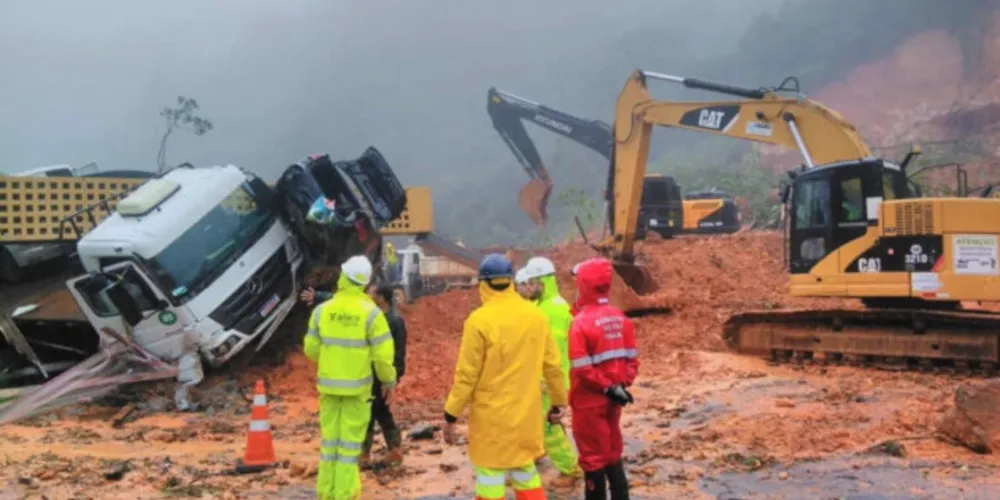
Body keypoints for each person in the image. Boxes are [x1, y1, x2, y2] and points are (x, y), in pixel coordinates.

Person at [443, 253, 567, 500]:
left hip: (491, 424)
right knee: (525, 472)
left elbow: (467, 376)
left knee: (490, 479)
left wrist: (451, 415)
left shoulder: (478, 321)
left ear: (483, 284)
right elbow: (553, 366)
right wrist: (558, 402)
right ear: (510, 281)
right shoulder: (536, 316)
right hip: (526, 418)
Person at [303, 255, 397, 500]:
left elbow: (311, 350)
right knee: (348, 449)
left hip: (329, 390)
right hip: (357, 393)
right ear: (365, 284)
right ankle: (344, 495)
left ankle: (327, 493)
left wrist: (333, 360)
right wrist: (388, 381)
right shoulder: (372, 315)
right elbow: (383, 357)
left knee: (330, 446)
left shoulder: (322, 311)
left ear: (343, 278)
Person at [568, 257, 639, 500]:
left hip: (588, 401)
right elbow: (632, 360)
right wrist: (619, 386)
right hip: (614, 399)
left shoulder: (580, 324)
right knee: (612, 450)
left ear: (584, 285)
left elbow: (581, 368)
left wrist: (606, 387)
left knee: (592, 457)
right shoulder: (621, 319)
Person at [520, 257, 583, 486]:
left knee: (550, 426)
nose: (527, 288)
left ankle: (570, 470)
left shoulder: (553, 310)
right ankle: (538, 453)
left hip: (550, 380)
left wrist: (544, 380)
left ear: (542, 282)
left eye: (531, 283)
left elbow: (552, 353)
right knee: (542, 422)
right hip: (546, 378)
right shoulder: (544, 306)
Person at [360, 284, 408, 468]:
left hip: (383, 375)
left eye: (372, 293)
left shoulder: (394, 321)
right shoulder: (379, 318)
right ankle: (394, 450)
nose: (369, 295)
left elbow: (398, 351)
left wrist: (393, 376)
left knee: (371, 411)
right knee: (381, 411)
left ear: (381, 298)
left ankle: (364, 455)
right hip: (374, 372)